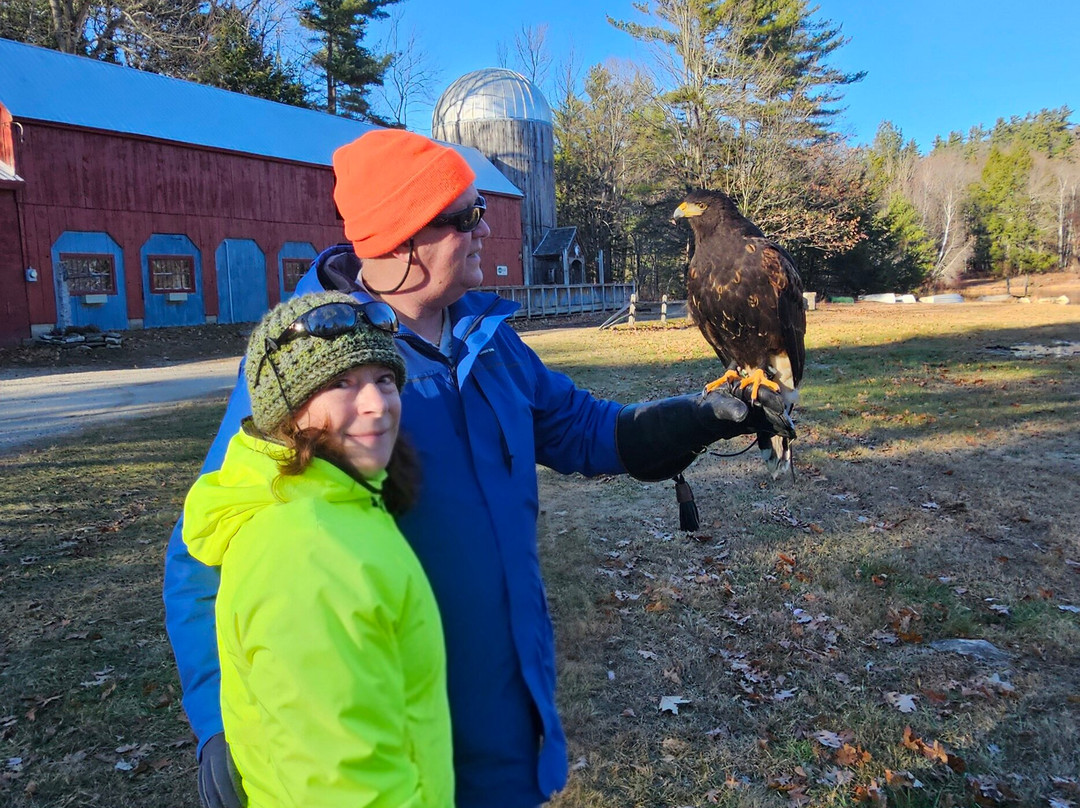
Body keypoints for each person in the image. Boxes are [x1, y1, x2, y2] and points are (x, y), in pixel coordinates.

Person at [164, 129, 794, 808]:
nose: (484, 228)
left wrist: (698, 417)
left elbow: (585, 429)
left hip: (507, 717)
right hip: (385, 735)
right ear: (405, 238)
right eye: (465, 217)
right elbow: (207, 551)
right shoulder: (317, 365)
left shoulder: (485, 337)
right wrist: (217, 728)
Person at [181, 290, 453, 807]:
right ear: (289, 412)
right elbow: (345, 787)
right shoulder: (306, 552)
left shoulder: (340, 503)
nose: (376, 403)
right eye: (341, 384)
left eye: (384, 379)